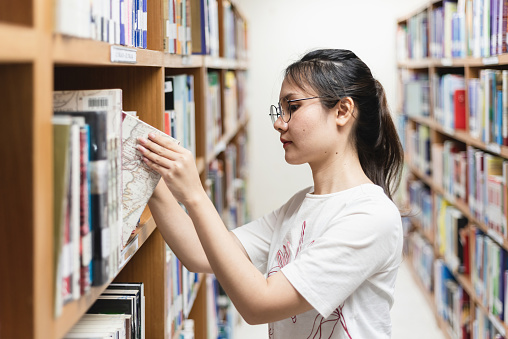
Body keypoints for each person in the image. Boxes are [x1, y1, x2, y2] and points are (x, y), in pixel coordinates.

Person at [137, 48, 404, 339]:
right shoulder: (298, 206)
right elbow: (200, 254)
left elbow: (259, 304)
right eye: (280, 109)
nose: (279, 122)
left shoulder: (371, 216)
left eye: (293, 107)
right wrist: (149, 176)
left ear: (342, 111)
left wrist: (194, 195)